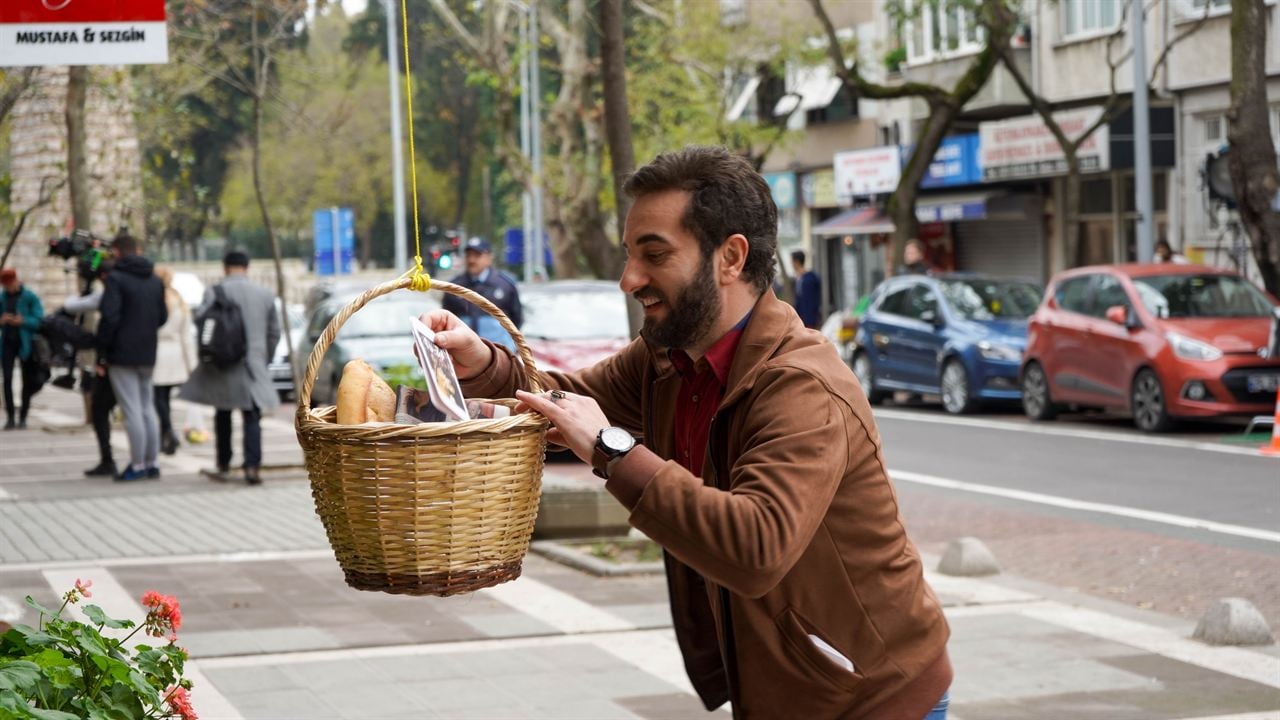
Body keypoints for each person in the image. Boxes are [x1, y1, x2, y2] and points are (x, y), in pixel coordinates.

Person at [422, 147, 951, 719]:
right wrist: (485, 363)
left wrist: (611, 449)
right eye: (630, 255)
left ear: (730, 257)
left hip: (875, 698)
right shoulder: (668, 357)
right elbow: (572, 396)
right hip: (788, 696)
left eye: (654, 255)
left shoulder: (802, 385)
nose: (629, 279)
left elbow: (756, 545)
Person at [181, 251, 279, 486]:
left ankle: (224, 463)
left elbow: (203, 324)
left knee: (222, 413)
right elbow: (274, 333)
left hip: (223, 362)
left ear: (225, 267)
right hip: (253, 363)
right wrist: (264, 358)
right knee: (252, 416)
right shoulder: (265, 294)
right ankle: (252, 467)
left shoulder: (214, 292)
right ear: (247, 267)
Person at [95, 233, 167, 482]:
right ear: (137, 250)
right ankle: (153, 462)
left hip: (122, 354)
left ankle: (137, 464)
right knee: (147, 407)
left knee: (131, 409)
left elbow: (110, 318)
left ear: (116, 252)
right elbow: (162, 317)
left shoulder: (116, 279)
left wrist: (102, 351)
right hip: (148, 352)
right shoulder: (155, 280)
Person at [61, 263, 118, 476]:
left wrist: (102, 360)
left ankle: (115, 460)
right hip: (136, 358)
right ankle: (146, 462)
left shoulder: (110, 294)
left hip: (114, 361)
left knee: (101, 409)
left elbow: (73, 306)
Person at [441, 237, 522, 352]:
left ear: (489, 258)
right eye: (468, 255)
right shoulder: (454, 286)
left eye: (477, 255)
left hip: (499, 355)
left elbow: (517, 320)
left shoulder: (505, 285)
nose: (472, 260)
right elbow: (446, 319)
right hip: (464, 355)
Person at [152, 266, 198, 455]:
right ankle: (167, 432)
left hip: (158, 353)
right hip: (176, 355)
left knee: (159, 398)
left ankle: (168, 432)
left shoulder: (154, 300)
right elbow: (186, 335)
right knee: (164, 399)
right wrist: (191, 365)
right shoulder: (179, 300)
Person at [1, 268, 44, 430]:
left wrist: (23, 321)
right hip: (7, 344)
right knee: (7, 379)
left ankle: (23, 416)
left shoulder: (29, 297)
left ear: (15, 281)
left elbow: (39, 319)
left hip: (26, 343)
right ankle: (10, 417)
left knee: (28, 380)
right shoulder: (2, 298)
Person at [790, 249, 821, 329]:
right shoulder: (799, 279)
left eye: (792, 261)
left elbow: (810, 302)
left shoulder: (808, 280)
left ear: (796, 262)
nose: (791, 264)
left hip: (808, 320)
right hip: (802, 319)